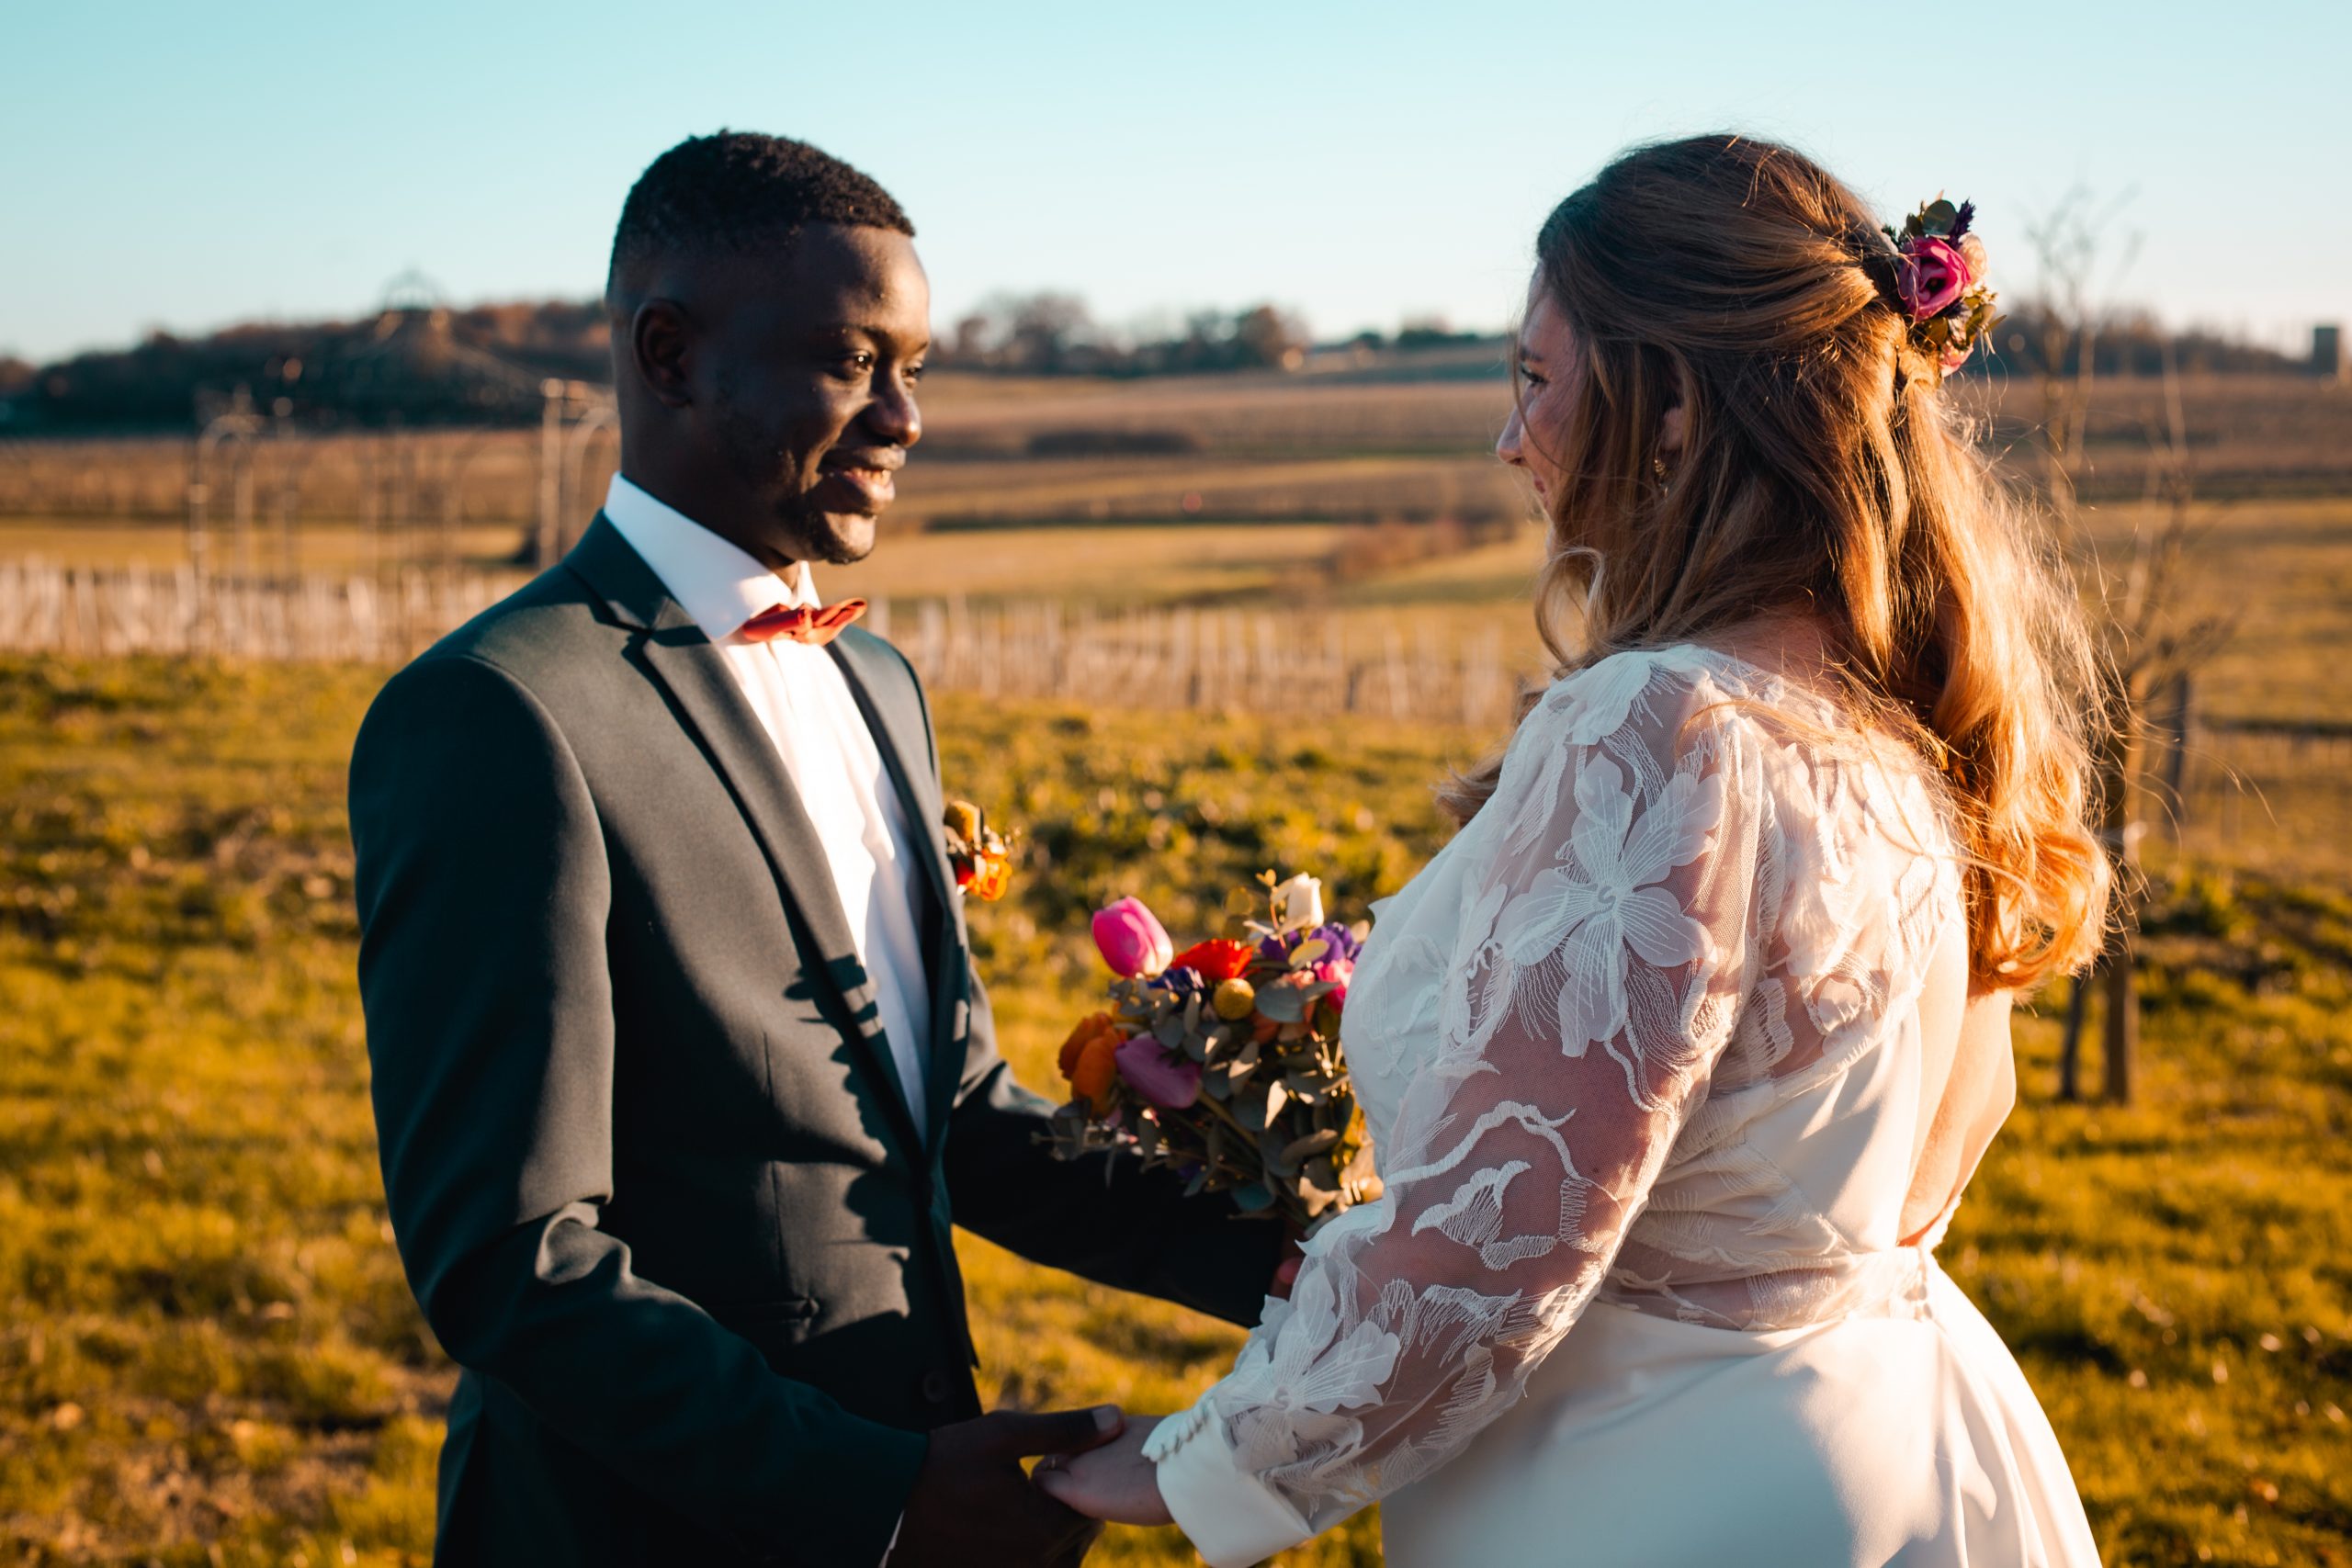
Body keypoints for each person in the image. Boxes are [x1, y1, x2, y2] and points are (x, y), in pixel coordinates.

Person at [1037, 133, 2112, 1565]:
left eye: (1536, 380)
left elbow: (1498, 1256)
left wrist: (1195, 1467)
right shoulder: (1895, 722)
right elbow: (1924, 1162)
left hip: (1647, 1488)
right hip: (1885, 1442)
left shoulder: (1664, 725)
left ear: (1667, 404)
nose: (1511, 439)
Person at [347, 130, 1284, 1568]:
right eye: (855, 363)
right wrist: (879, 1501)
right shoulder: (497, 714)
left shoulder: (878, 685)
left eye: (918, 369)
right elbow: (510, 1258)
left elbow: (954, 1116)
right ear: (669, 354)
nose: (906, 418)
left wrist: (1296, 1263)